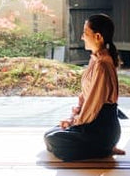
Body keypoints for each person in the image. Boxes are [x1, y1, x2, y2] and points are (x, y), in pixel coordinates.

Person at [44, 13, 125, 161]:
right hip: (93, 124)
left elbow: (93, 105)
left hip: (100, 129)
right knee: (50, 134)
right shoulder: (96, 58)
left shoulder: (102, 64)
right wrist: (73, 118)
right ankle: (103, 148)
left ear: (98, 37)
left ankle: (104, 149)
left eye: (85, 33)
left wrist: (74, 122)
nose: (82, 37)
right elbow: (85, 96)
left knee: (54, 139)